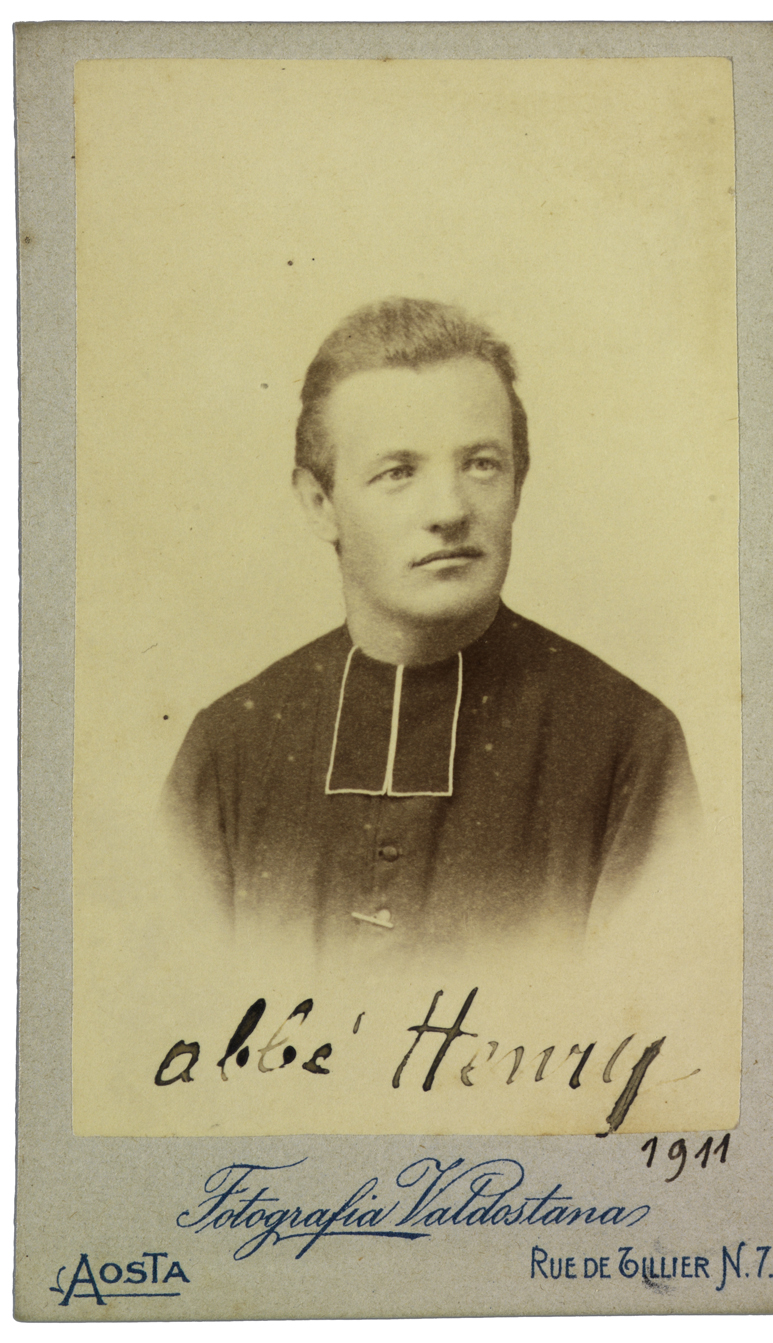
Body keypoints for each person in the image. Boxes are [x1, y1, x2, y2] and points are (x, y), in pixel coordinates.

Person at [163, 297, 698, 950]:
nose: (449, 510)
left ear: (518, 483)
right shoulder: (228, 750)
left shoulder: (628, 742)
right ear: (319, 503)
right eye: (398, 472)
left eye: (481, 464)